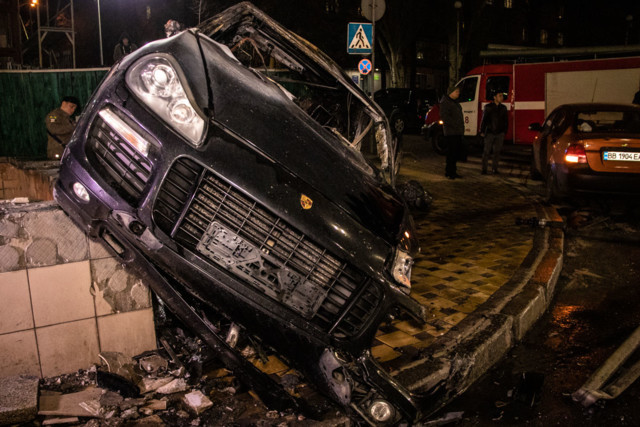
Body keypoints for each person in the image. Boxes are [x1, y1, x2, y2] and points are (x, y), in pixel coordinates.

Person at [480, 91, 508, 174]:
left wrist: (504, 131)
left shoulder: (503, 108)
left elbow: (505, 121)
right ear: (495, 97)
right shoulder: (488, 107)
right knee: (486, 151)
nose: (501, 97)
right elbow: (484, 120)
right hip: (490, 132)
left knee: (497, 152)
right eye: (500, 96)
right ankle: (484, 169)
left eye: (502, 96)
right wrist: (482, 130)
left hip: (500, 133)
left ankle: (494, 168)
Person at [440, 85, 465, 179]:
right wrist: (455, 125)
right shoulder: (446, 103)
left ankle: (452, 171)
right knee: (451, 153)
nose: (458, 93)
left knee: (455, 153)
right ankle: (450, 172)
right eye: (456, 91)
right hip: (451, 132)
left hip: (456, 131)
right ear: (451, 93)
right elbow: (445, 117)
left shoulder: (454, 102)